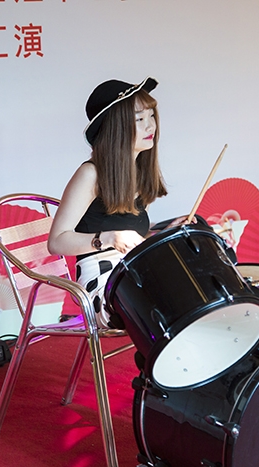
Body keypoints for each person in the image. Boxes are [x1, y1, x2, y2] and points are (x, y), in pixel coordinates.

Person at [48, 76, 167, 328]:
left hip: (133, 270)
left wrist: (167, 228)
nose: (151, 126)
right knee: (169, 299)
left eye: (151, 116)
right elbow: (56, 242)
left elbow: (130, 231)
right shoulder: (90, 174)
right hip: (101, 282)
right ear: (117, 127)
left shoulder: (138, 171)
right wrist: (109, 238)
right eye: (139, 119)